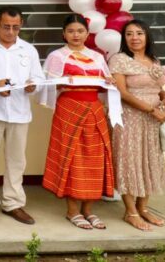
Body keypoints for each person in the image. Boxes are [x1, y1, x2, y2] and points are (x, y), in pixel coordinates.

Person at [41, 14, 115, 230]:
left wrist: (108, 81)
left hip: (94, 110)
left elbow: (103, 86)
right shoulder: (57, 56)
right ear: (64, 33)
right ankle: (73, 211)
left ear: (87, 33)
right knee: (72, 157)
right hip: (69, 109)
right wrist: (62, 81)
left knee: (95, 157)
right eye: (71, 31)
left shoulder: (97, 56)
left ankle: (89, 210)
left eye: (80, 31)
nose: (76, 35)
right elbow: (47, 86)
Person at [0, 6, 43, 226]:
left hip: (20, 113)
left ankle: (13, 203)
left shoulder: (28, 49)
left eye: (16, 27)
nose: (11, 32)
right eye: (6, 27)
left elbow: (38, 78)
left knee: (16, 161)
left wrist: (34, 86)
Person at [109, 20, 165, 231]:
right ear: (124, 38)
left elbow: (158, 87)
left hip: (153, 121)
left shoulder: (153, 59)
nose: (134, 37)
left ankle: (143, 207)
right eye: (129, 34)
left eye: (139, 33)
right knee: (130, 161)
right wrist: (152, 109)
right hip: (130, 118)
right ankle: (131, 211)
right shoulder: (119, 59)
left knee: (149, 160)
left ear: (147, 36)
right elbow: (123, 93)